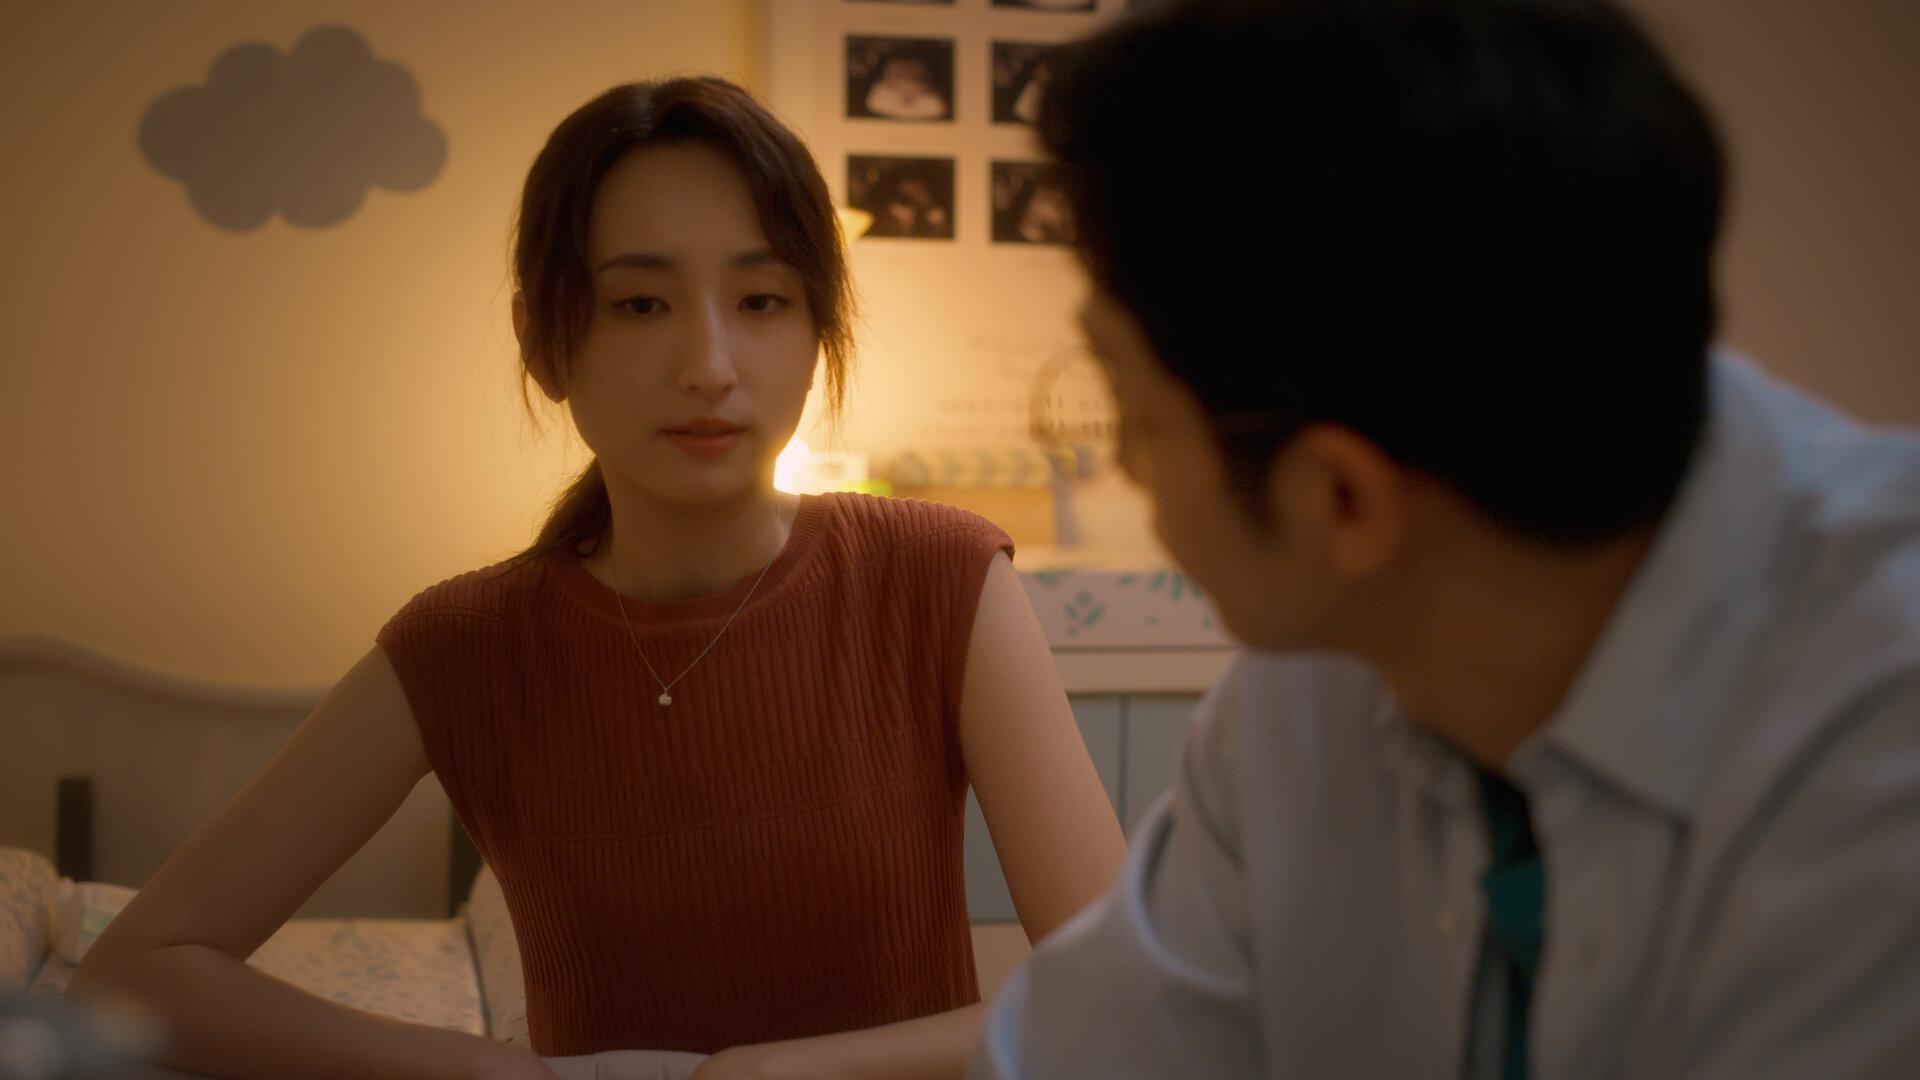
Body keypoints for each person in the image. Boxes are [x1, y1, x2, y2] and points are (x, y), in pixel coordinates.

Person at [68, 77, 1126, 1080]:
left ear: (818, 333)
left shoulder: (939, 578)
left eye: (762, 299)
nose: (709, 365)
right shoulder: (464, 644)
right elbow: (133, 974)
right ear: (543, 343)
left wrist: (789, 1071)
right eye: (640, 305)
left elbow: (1121, 989)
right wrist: (468, 1064)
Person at [972, 1, 1920, 1078]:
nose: (1122, 467)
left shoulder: (1876, 767)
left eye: (1132, 412)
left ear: (1341, 500)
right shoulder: (1319, 674)